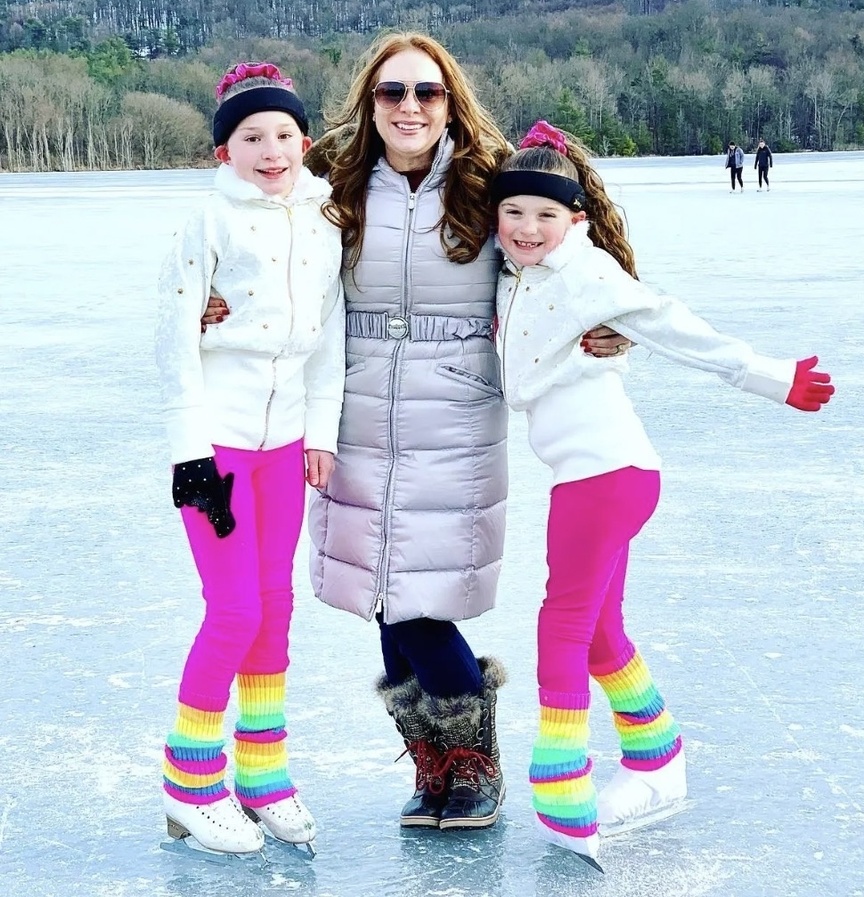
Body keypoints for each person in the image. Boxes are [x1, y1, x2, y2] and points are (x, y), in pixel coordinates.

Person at [200, 32, 631, 834]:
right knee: (380, 591)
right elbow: (258, 238)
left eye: (426, 93)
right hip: (353, 404)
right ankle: (434, 765)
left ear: (448, 101)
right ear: (371, 101)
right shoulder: (332, 180)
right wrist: (215, 303)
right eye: (393, 92)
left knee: (418, 597)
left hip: (454, 403)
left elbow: (573, 233)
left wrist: (613, 320)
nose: (409, 107)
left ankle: (473, 762)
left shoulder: (484, 177)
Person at [490, 120, 834, 866]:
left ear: (575, 219)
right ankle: (654, 749)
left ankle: (562, 782)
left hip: (604, 475)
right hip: (599, 472)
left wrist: (770, 376)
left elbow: (673, 325)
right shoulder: (511, 265)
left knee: (563, 625)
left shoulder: (588, 273)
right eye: (513, 211)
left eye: (546, 214)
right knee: (601, 631)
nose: (526, 227)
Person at [154, 62, 345, 856]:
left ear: (304, 140)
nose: (271, 150)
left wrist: (323, 433)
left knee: (274, 606)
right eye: (250, 136)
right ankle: (190, 782)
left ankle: (262, 771)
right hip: (219, 450)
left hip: (287, 448)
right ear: (222, 151)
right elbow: (173, 343)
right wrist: (189, 453)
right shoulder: (208, 221)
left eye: (283, 135)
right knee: (233, 609)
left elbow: (328, 340)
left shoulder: (326, 218)